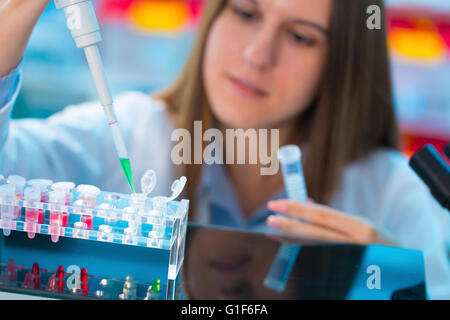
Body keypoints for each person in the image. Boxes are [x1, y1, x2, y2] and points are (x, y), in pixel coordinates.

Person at [0, 0, 448, 299]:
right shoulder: (129, 135)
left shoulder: (393, 192)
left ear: (342, 62)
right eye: (247, 12)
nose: (257, 54)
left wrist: (396, 282)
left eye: (300, 37)